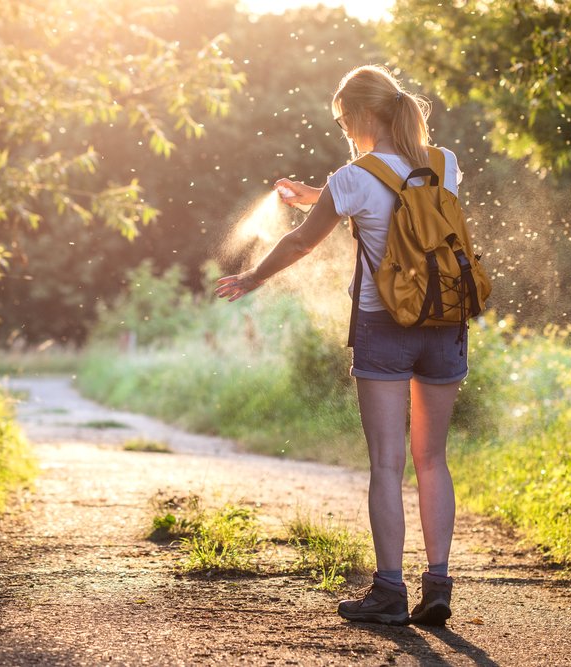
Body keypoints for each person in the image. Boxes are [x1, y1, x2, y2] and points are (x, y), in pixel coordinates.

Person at [215, 64, 466, 627]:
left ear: (357, 116)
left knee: (386, 462)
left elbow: (304, 242)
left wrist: (253, 277)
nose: (343, 132)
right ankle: (439, 584)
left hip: (386, 327)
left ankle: (388, 591)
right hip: (446, 323)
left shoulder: (352, 176)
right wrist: (321, 194)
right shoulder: (445, 163)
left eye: (341, 121)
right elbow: (400, 201)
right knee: (432, 459)